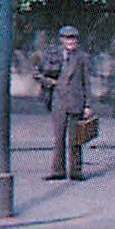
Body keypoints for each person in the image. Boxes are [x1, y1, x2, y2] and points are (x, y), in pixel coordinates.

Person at [40, 25, 93, 181]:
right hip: (58, 102)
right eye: (68, 38)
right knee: (59, 138)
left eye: (73, 38)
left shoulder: (82, 57)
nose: (71, 41)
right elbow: (38, 73)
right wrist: (50, 82)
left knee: (75, 139)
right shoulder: (53, 55)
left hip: (76, 102)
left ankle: (76, 171)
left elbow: (87, 82)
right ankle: (58, 171)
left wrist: (88, 105)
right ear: (61, 40)